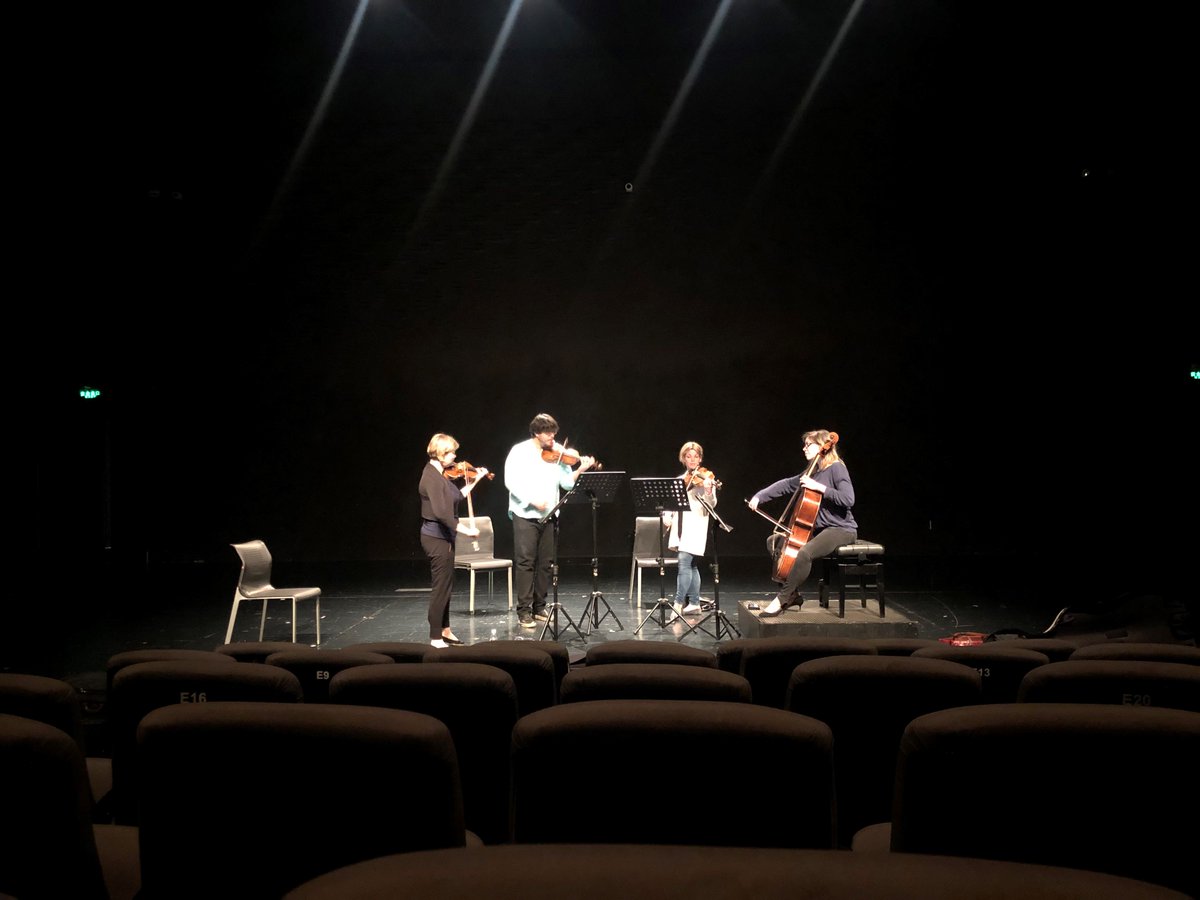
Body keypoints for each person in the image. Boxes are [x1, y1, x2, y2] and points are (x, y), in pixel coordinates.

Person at [747, 429, 856, 616]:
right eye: (804, 444)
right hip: (820, 529)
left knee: (804, 553)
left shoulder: (837, 468)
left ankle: (782, 598)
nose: (804, 448)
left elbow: (848, 499)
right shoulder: (812, 471)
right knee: (774, 541)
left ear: (823, 446)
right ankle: (793, 595)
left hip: (841, 529)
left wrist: (819, 488)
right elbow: (786, 484)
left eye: (808, 444)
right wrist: (759, 497)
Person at [504, 413, 596, 628]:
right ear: (536, 432)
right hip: (525, 513)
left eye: (554, 431)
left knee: (546, 563)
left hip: (550, 514)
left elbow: (566, 483)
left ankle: (539, 607)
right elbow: (510, 480)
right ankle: (524, 611)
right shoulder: (519, 451)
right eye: (548, 432)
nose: (552, 436)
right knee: (526, 562)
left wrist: (580, 469)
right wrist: (531, 500)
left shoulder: (558, 453)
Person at [419, 433, 482, 648]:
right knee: (441, 588)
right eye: (452, 452)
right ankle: (435, 637)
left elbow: (457, 496)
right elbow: (442, 514)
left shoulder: (441, 475)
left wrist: (476, 481)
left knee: (446, 586)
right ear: (440, 453)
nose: (455, 456)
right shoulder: (431, 477)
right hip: (436, 538)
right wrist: (467, 531)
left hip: (445, 537)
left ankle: (445, 629)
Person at [662, 441, 718, 617]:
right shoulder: (680, 480)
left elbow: (712, 504)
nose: (692, 460)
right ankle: (694, 603)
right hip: (680, 526)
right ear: (683, 459)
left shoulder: (706, 478)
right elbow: (673, 502)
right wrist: (667, 514)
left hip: (696, 525)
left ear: (700, 459)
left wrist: (709, 490)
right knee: (691, 565)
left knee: (684, 562)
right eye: (688, 456)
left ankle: (678, 603)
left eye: (695, 456)